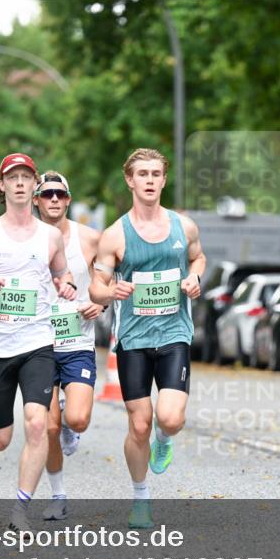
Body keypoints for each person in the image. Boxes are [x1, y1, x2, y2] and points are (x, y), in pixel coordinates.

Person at [0, 153, 77, 532]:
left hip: (38, 341)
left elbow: (63, 271)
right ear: (1, 185)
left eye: (26, 177)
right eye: (12, 177)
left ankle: (21, 507)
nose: (20, 183)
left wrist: (67, 284)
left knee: (38, 423)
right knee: (0, 439)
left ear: (34, 184)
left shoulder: (51, 235)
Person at [89, 148, 206, 529]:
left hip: (174, 333)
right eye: (143, 174)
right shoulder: (114, 235)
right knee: (138, 424)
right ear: (130, 180)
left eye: (156, 173)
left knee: (169, 418)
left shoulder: (183, 226)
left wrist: (194, 278)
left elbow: (198, 258)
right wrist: (111, 294)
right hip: (134, 341)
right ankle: (141, 498)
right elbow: (96, 287)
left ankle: (165, 438)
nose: (150, 180)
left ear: (164, 179)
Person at [33, 171, 103, 521]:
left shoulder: (89, 239)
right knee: (45, 427)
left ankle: (69, 425)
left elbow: (110, 279)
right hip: (38, 346)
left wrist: (101, 304)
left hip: (78, 342)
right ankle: (58, 496)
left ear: (69, 199)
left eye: (60, 194)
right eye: (47, 195)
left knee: (77, 418)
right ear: (36, 201)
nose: (54, 200)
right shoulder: (24, 240)